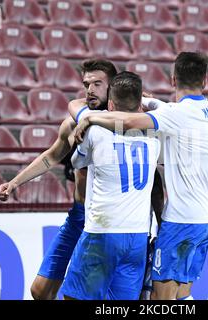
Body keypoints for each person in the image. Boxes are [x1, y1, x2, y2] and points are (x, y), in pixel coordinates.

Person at [73, 52, 208, 300]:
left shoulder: (175, 115)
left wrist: (91, 118)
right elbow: (161, 107)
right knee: (182, 292)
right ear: (204, 81)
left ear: (173, 80)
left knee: (160, 299)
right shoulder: (207, 110)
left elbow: (130, 122)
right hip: (206, 219)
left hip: (181, 220)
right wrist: (144, 99)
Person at [0, 59, 118, 300]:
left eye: (97, 83)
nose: (90, 90)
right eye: (86, 84)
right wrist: (15, 183)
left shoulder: (126, 124)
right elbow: (51, 157)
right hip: (78, 216)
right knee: (40, 291)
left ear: (112, 86)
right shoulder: (73, 123)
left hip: (108, 221)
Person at [61, 71, 161, 300]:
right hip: (137, 235)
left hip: (103, 232)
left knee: (75, 297)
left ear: (111, 103)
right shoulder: (155, 136)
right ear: (139, 103)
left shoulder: (96, 131)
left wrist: (89, 120)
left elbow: (77, 162)